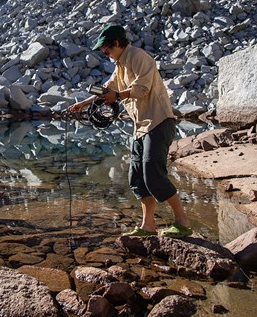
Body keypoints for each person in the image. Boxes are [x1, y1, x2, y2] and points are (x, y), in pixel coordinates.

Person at [68, 23, 192, 238]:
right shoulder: (119, 65)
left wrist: (116, 97)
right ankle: (148, 226)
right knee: (137, 177)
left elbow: (141, 89)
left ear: (116, 43)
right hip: (140, 127)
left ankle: (182, 222)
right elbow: (107, 89)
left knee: (153, 172)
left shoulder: (138, 56)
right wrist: (84, 104)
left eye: (105, 47)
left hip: (158, 121)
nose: (103, 52)